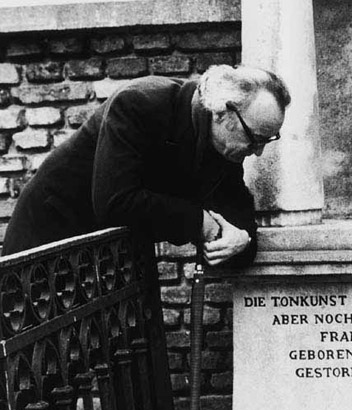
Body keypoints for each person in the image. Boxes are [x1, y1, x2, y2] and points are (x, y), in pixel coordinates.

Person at [2, 64, 291, 267]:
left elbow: (239, 223)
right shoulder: (139, 103)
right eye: (255, 139)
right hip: (47, 242)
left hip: (104, 261)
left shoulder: (224, 146)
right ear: (223, 113)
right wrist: (199, 222)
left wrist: (240, 241)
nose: (258, 152)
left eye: (267, 140)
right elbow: (115, 202)